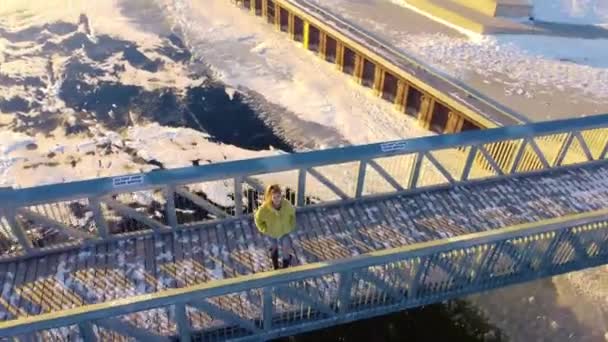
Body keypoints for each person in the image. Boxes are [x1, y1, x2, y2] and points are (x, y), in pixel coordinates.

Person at [254, 184, 296, 270]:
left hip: (284, 232)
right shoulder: (265, 208)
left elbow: (292, 214)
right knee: (273, 247)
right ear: (270, 197)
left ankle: (285, 265)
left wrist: (291, 225)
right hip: (272, 232)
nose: (277, 199)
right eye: (274, 197)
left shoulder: (286, 205)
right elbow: (257, 219)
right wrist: (264, 229)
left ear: (281, 196)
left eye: (279, 196)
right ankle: (275, 265)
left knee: (286, 247)